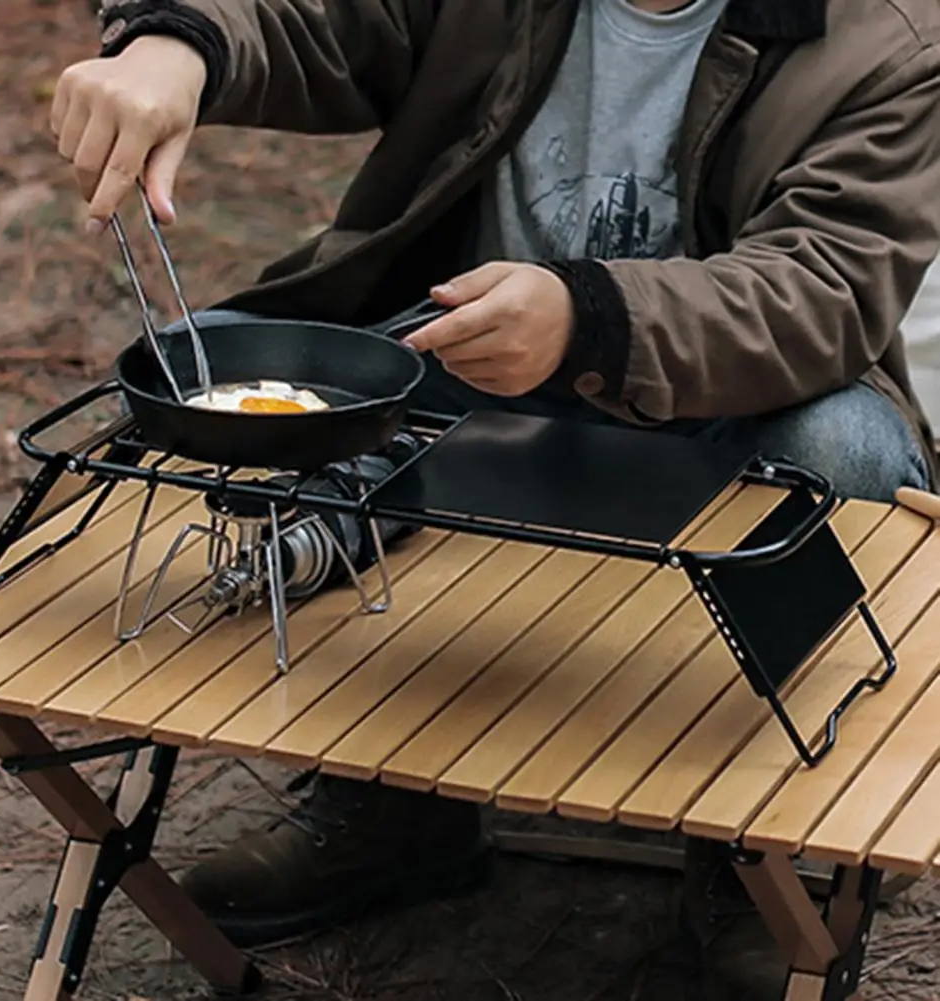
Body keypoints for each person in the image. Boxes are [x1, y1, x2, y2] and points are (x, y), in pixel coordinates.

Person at [56, 0, 940, 996]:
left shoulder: (885, 39)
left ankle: (763, 857)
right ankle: (389, 792)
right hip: (467, 357)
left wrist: (585, 317)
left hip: (726, 398)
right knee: (207, 377)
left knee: (842, 460)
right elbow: (316, 17)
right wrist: (176, 45)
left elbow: (820, 291)